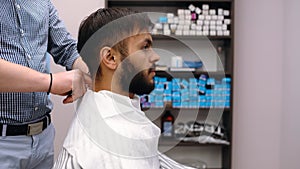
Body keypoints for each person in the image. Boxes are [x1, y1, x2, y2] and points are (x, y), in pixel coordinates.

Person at [54, 8, 195, 169]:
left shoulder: (118, 112)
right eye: (144, 47)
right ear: (110, 58)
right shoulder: (104, 141)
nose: (156, 56)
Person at [0, 0, 91, 169]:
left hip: (43, 138)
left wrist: (97, 75)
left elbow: (66, 48)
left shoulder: (41, 3)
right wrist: (51, 82)